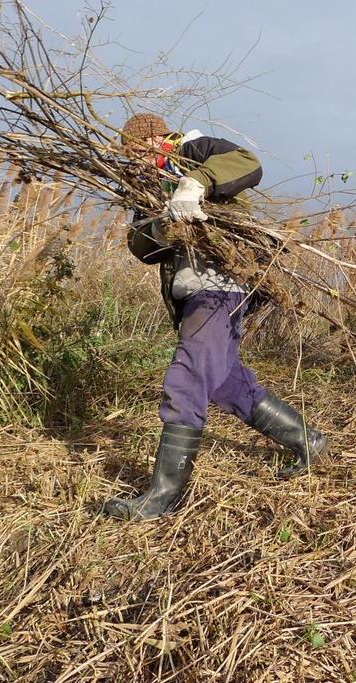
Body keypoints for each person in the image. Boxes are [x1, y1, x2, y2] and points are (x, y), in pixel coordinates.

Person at [104, 113, 328, 522]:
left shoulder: (196, 151)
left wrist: (195, 184)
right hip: (192, 291)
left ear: (158, 137)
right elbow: (141, 246)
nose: (133, 155)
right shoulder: (146, 186)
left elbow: (247, 163)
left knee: (187, 377)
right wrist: (165, 226)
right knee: (225, 382)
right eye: (128, 150)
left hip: (221, 284)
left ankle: (163, 496)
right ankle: (307, 440)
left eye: (137, 146)